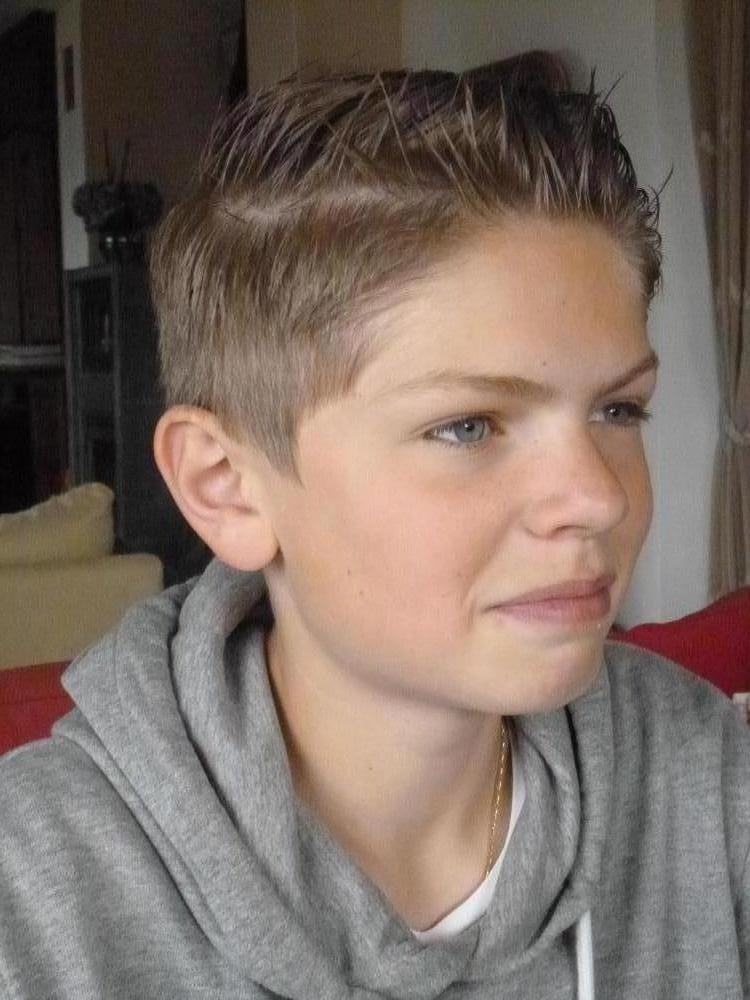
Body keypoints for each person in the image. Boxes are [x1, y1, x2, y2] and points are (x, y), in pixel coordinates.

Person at [1, 56, 748, 1000]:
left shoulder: (707, 776)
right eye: (467, 426)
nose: (598, 497)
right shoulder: (31, 902)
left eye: (619, 410)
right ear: (228, 487)